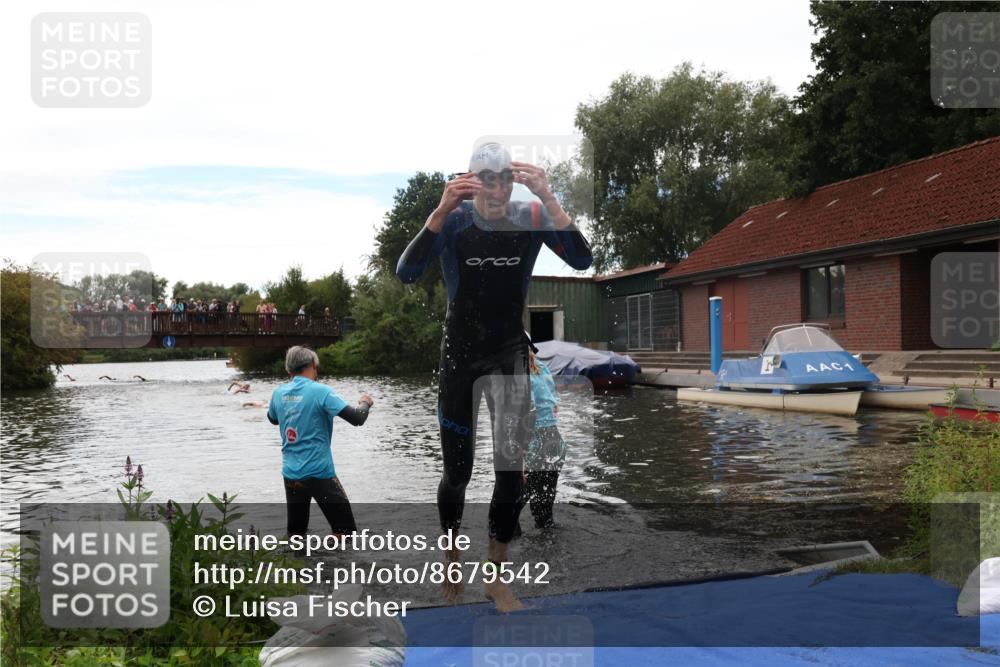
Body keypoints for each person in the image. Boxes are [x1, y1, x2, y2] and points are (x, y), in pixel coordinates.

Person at [396, 142, 592, 612]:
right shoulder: (456, 220)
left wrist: (549, 197)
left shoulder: (529, 216)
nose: (498, 188)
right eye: (487, 178)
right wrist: (439, 211)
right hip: (460, 358)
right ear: (471, 180)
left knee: (511, 474)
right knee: (457, 474)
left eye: (505, 178)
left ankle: (496, 576)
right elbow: (406, 273)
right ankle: (450, 558)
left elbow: (583, 261)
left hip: (507, 354)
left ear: (513, 181)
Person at [267, 346, 374, 539]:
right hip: (320, 474)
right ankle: (338, 567)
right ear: (313, 365)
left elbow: (273, 419)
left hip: (291, 475)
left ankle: (297, 568)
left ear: (288, 370)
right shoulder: (321, 391)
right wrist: (365, 402)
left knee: (296, 534)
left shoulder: (278, 393)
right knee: (346, 533)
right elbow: (357, 418)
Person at [518, 347, 566, 530]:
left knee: (520, 495)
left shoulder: (520, 373)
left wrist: (521, 453)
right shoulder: (542, 367)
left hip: (536, 439)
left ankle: (505, 541)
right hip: (554, 438)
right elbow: (554, 405)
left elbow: (526, 412)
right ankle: (546, 541)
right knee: (545, 498)